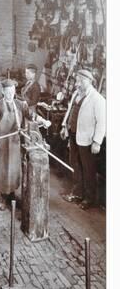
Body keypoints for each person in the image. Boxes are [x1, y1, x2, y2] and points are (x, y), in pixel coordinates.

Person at [60, 69, 106, 210]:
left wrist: (97, 141)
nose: (78, 83)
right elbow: (70, 112)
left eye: (81, 81)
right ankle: (77, 193)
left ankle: (89, 199)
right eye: (77, 80)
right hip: (74, 135)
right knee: (75, 165)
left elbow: (102, 122)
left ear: (89, 81)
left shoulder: (97, 99)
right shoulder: (76, 94)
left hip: (88, 139)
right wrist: (64, 126)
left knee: (88, 169)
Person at [0, 79, 33, 211]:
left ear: (14, 92)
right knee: (3, 170)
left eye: (12, 91)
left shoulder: (19, 104)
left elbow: (30, 115)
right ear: (3, 91)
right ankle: (3, 196)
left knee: (13, 170)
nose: (10, 94)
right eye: (7, 92)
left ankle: (12, 194)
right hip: (3, 143)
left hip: (15, 142)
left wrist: (43, 120)